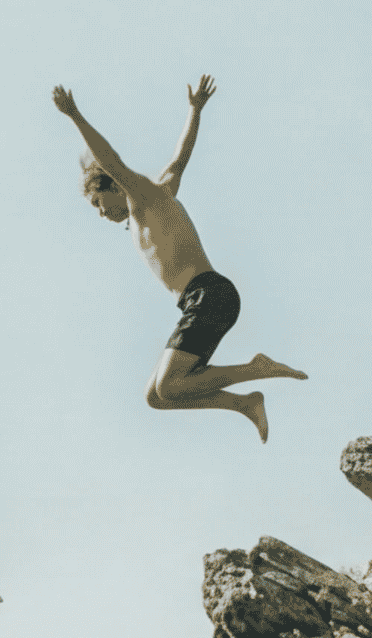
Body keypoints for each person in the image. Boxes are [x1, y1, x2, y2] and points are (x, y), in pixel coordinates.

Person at [52, 76, 306, 441]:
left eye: (98, 203)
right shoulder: (161, 193)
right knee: (155, 396)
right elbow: (180, 157)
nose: (101, 214)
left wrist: (75, 115)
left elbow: (110, 159)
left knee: (169, 386)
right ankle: (244, 403)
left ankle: (255, 369)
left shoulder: (142, 195)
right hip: (204, 300)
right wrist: (195, 110)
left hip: (207, 295)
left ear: (112, 186)